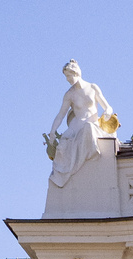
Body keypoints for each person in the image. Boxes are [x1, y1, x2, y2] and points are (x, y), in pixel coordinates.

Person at [44, 60, 115, 192]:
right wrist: (53, 131)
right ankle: (63, 178)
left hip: (91, 123)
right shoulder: (69, 94)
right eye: (66, 77)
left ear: (76, 73)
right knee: (62, 146)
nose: (67, 79)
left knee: (88, 129)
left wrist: (107, 112)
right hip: (76, 125)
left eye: (69, 76)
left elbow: (108, 107)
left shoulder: (93, 87)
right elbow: (60, 115)